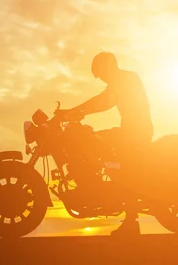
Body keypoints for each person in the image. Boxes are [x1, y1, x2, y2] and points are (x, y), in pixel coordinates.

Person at [57, 52, 153, 237]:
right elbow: (102, 101)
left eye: (101, 74)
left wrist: (74, 112)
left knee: (123, 169)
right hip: (129, 131)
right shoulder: (119, 81)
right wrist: (74, 112)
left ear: (108, 67)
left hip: (136, 133)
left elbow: (102, 102)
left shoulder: (126, 79)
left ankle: (131, 220)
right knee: (93, 139)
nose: (102, 79)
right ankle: (96, 186)